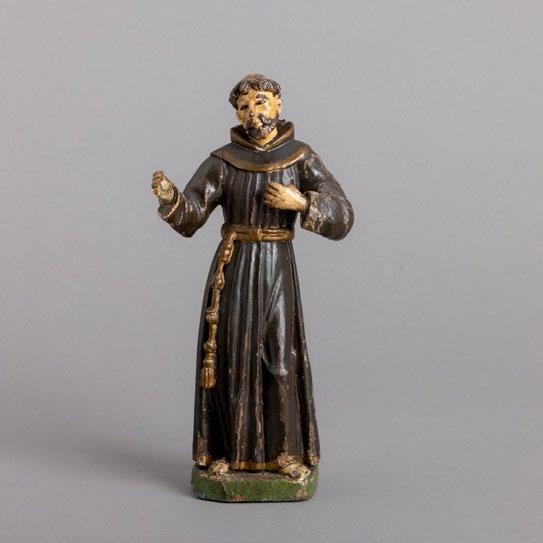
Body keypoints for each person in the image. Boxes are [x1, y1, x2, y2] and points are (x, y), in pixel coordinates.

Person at [151, 74, 354, 480]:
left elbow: (343, 216)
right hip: (236, 265)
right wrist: (171, 198)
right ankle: (228, 452)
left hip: (276, 263)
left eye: (260, 102)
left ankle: (285, 452)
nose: (253, 113)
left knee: (279, 359)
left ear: (278, 104)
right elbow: (192, 216)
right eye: (244, 107)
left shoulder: (300, 157)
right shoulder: (225, 160)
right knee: (231, 357)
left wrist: (303, 202)